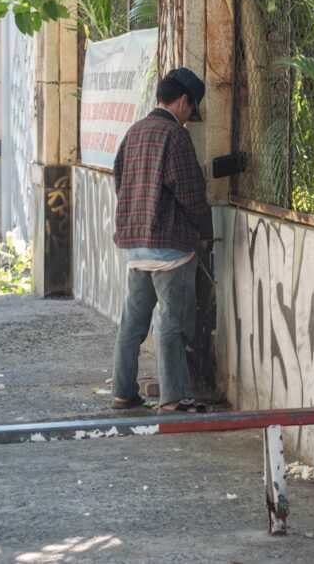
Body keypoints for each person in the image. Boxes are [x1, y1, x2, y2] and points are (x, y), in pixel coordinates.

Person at [110, 67, 211, 414]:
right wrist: (201, 229)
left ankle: (122, 392)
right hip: (170, 248)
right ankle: (174, 397)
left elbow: (120, 182)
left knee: (132, 322)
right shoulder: (175, 136)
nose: (188, 118)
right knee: (172, 321)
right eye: (191, 109)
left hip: (135, 244)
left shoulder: (134, 132)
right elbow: (190, 195)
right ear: (183, 101)